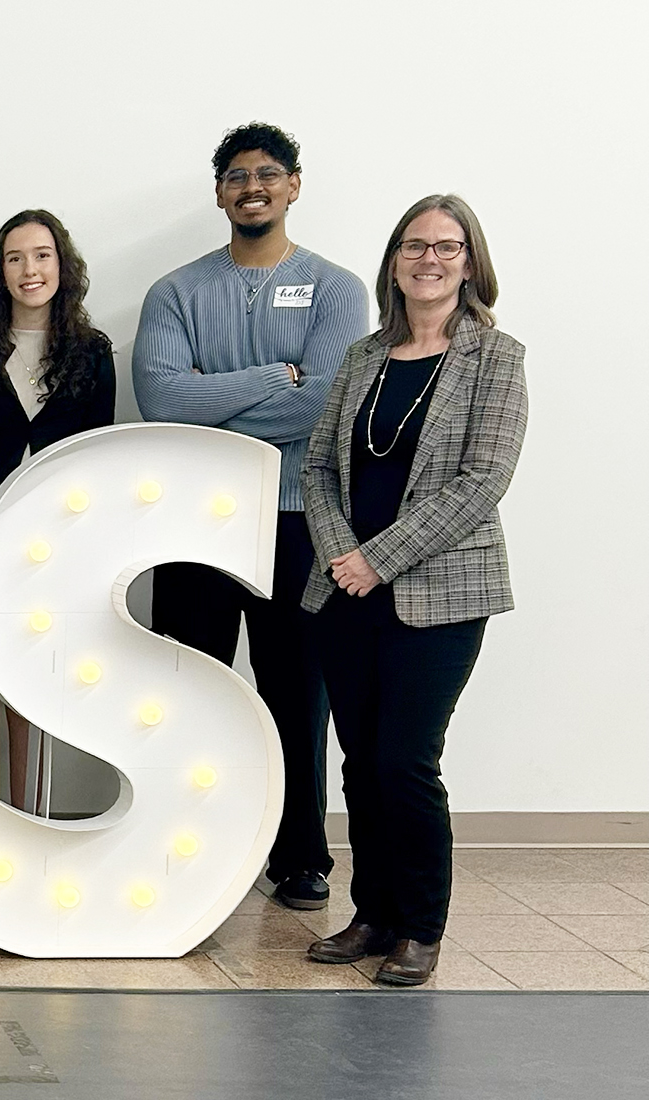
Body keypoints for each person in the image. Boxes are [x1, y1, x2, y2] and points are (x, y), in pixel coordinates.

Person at [131, 122, 369, 911]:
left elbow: (328, 400)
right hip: (193, 524)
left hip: (298, 521)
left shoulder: (337, 289)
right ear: (220, 192)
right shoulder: (174, 291)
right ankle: (175, 835)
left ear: (294, 185)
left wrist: (217, 400)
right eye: (237, 176)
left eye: (268, 174)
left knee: (295, 693)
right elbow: (164, 401)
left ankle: (300, 855)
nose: (253, 186)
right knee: (186, 689)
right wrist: (275, 375)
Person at [300, 195, 526, 986]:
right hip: (344, 593)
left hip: (441, 596)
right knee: (360, 763)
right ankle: (373, 915)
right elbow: (320, 466)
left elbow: (481, 481)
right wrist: (341, 556)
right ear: (394, 261)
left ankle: (421, 927)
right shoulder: (363, 357)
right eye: (413, 246)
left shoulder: (496, 359)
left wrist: (379, 559)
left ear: (471, 263)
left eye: (447, 247)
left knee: (406, 762)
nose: (429, 259)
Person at [0, 210, 117, 887]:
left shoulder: (91, 352)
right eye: (15, 258)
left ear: (62, 267)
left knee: (32, 692)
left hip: (54, 550)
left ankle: (30, 831)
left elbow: (93, 458)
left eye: (42, 256)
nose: (30, 269)